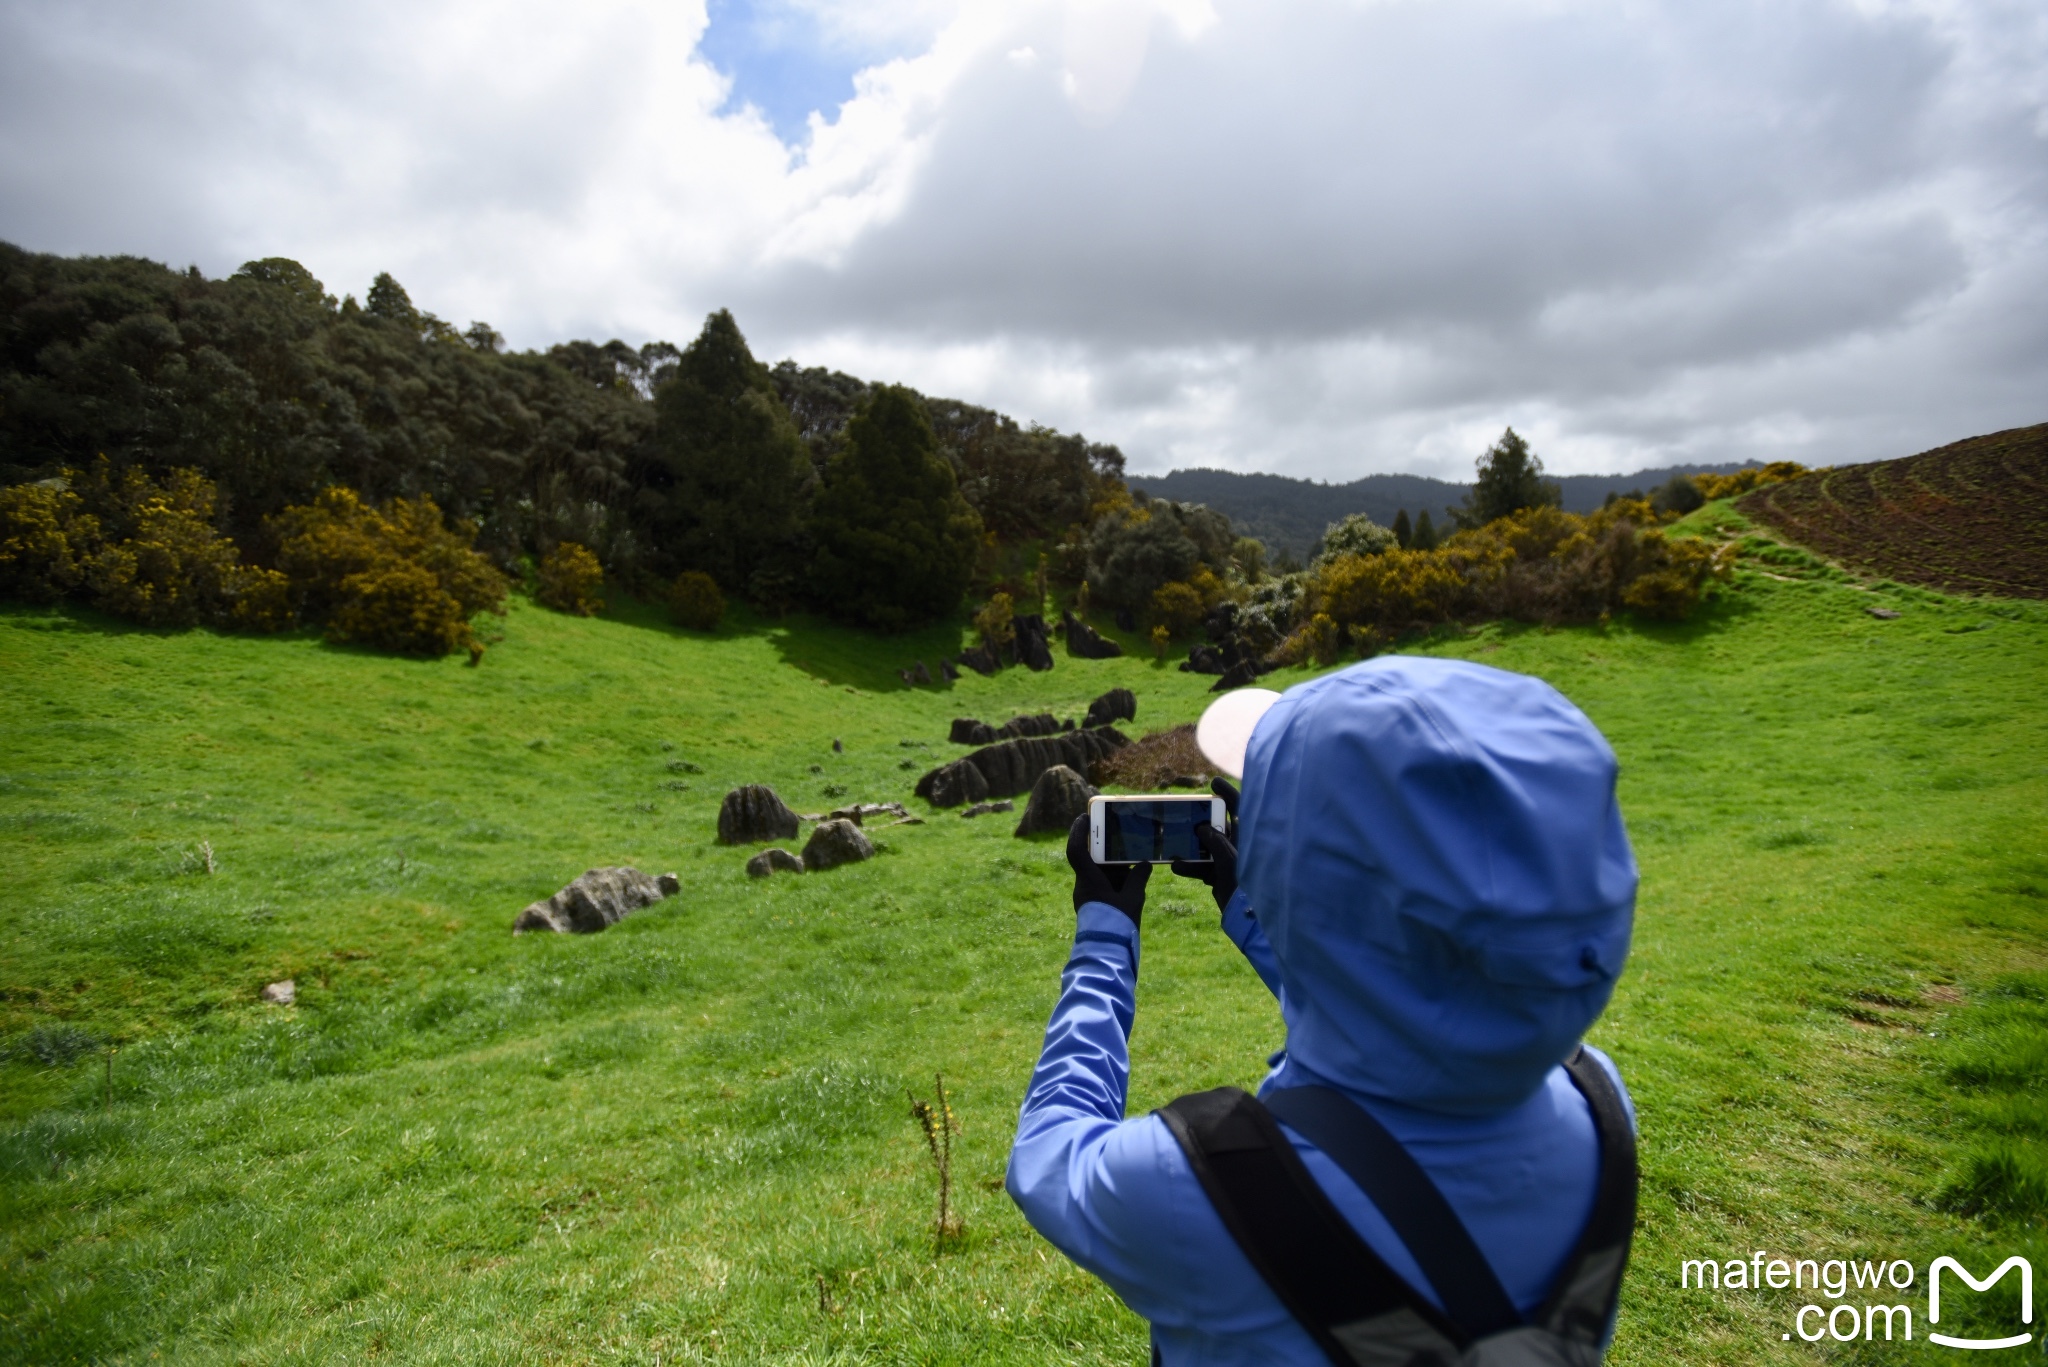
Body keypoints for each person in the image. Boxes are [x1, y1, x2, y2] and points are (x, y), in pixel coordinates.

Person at [1005, 657, 1640, 1364]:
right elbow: (1418, 1007)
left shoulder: (1201, 1189)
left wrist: (1104, 929)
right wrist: (1257, 907)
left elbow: (1047, 1151)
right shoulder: (1601, 1106)